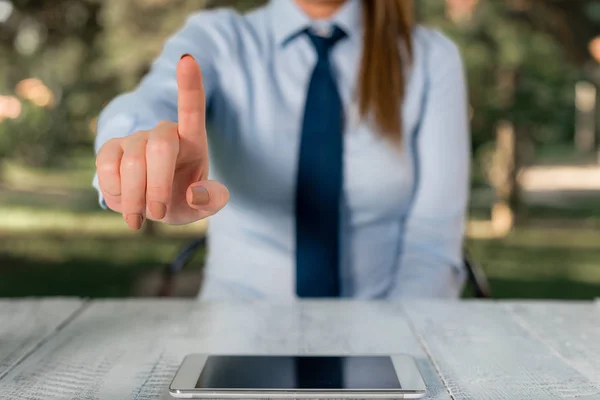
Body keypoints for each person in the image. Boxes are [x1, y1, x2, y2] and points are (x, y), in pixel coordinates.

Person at [93, 0, 470, 300]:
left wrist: (395, 345)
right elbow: (151, 100)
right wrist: (133, 156)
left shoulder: (430, 58)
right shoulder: (221, 39)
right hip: (235, 330)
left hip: (388, 326)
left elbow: (432, 243)